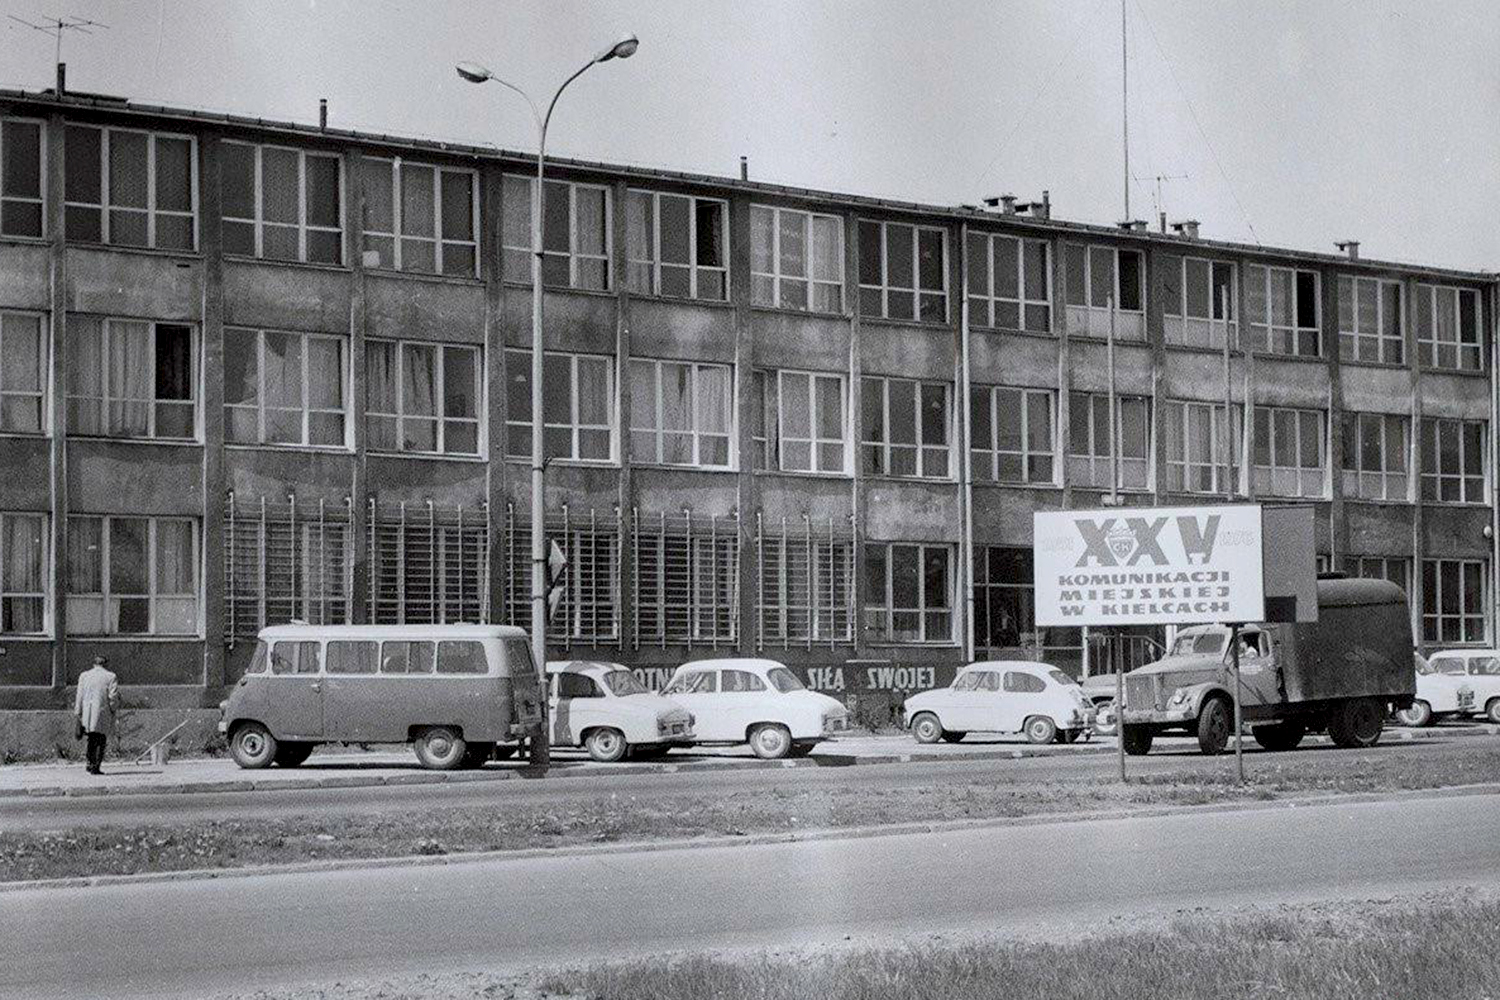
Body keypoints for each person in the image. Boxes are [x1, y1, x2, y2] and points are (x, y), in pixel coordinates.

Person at [74, 655, 120, 775]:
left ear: (94, 664)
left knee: (91, 739)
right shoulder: (111, 676)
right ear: (105, 664)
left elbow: (79, 695)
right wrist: (114, 709)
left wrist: (78, 712)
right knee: (101, 739)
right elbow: (112, 697)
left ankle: (89, 763)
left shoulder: (84, 675)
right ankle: (96, 767)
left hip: (88, 713)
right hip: (102, 712)